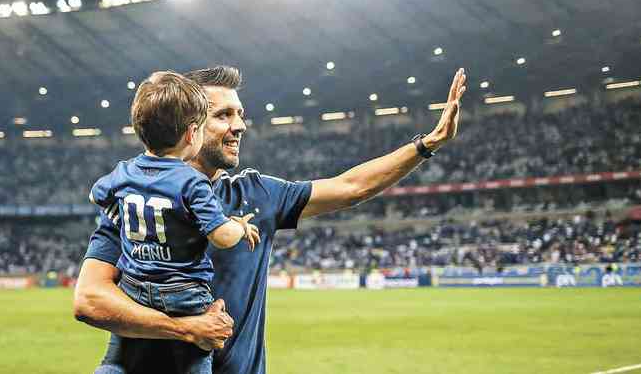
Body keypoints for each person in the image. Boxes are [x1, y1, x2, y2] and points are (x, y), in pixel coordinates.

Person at [74, 65, 468, 374]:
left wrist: (426, 144)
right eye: (224, 115)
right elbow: (90, 300)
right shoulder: (138, 203)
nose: (240, 126)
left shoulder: (257, 194)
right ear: (190, 127)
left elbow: (351, 187)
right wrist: (185, 329)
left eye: (240, 114)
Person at [89, 71, 260, 373]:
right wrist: (240, 227)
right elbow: (220, 236)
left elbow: (97, 195)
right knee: (196, 358)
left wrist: (123, 218)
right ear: (192, 134)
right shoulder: (191, 182)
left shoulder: (123, 172)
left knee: (118, 359)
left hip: (134, 288)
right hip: (184, 292)